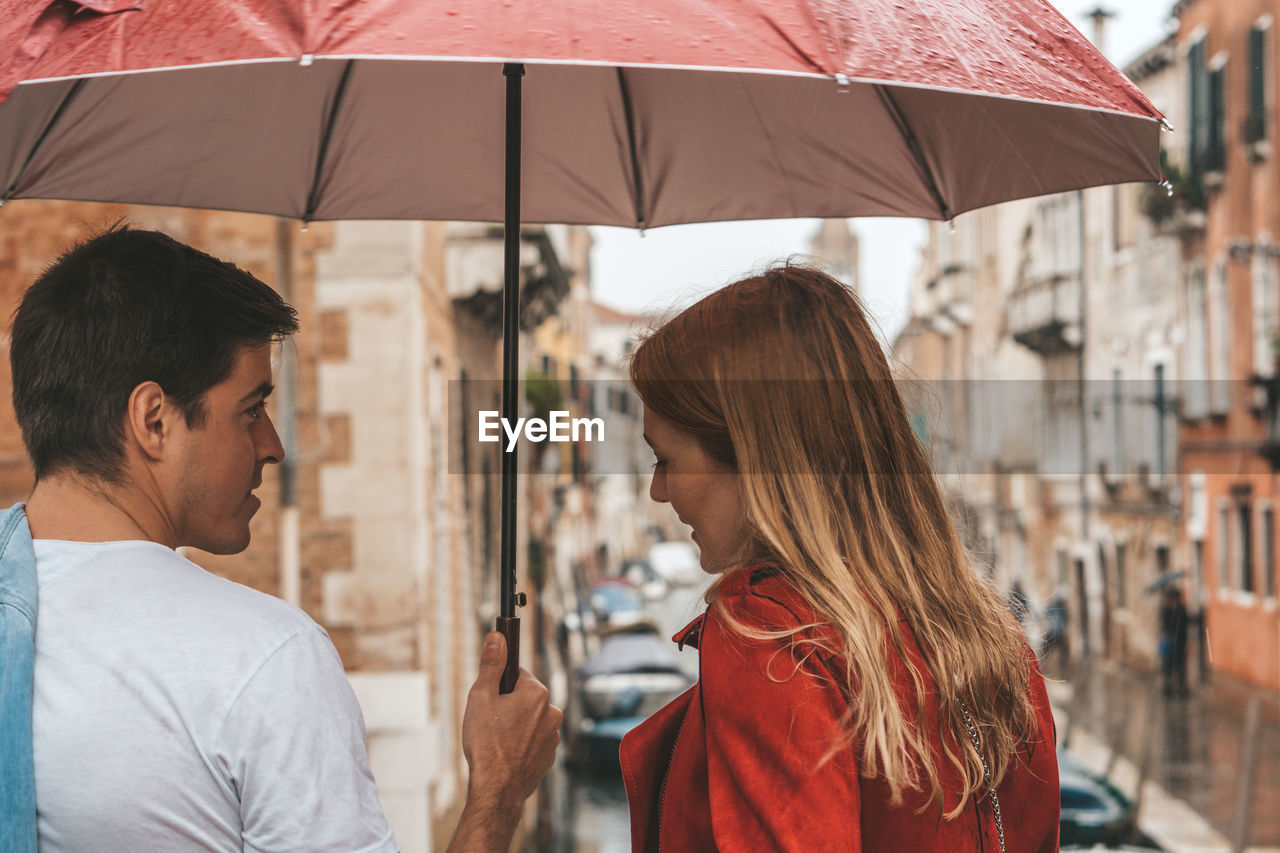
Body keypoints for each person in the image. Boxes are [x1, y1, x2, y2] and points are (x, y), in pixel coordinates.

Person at [0, 227, 561, 853]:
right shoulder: (264, 659)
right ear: (153, 420)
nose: (273, 445)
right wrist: (499, 790)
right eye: (251, 409)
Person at [619, 266, 1059, 852]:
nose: (660, 492)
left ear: (752, 455)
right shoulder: (993, 646)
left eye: (665, 459)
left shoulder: (770, 638)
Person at [1158, 586, 1189, 697]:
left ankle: (1181, 689)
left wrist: (1184, 642)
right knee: (1168, 668)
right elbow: (1165, 626)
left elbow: (1184, 626)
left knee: (1180, 668)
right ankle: (1168, 689)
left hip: (1180, 644)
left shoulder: (1182, 610)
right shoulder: (1166, 611)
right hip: (1169, 644)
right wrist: (1171, 637)